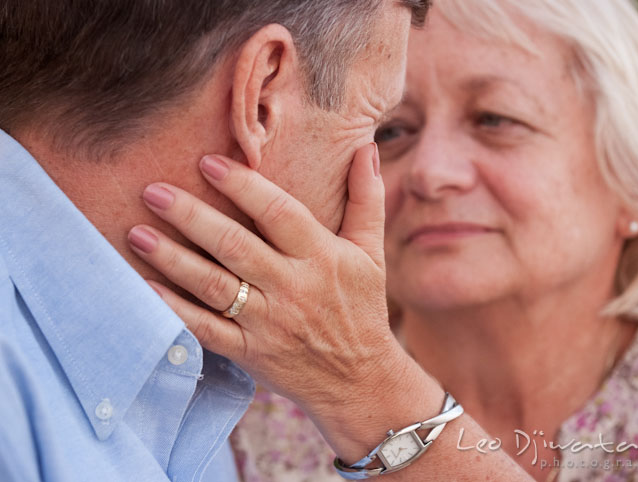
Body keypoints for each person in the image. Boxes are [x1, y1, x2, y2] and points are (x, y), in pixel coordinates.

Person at [149, 0, 638, 481]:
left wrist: (365, 385)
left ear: (637, 184)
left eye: (495, 120)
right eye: (392, 131)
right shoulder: (244, 412)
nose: (431, 171)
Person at [0, 1, 433, 481]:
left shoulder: (178, 363)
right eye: (374, 124)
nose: (383, 192)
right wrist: (370, 382)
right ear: (261, 99)